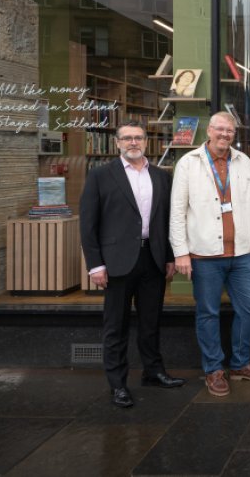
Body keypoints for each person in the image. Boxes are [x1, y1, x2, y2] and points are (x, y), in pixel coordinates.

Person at [80, 120, 185, 408]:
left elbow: (166, 221)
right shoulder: (100, 176)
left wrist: (169, 257)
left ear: (146, 141)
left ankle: (153, 372)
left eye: (138, 137)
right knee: (116, 326)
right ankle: (118, 385)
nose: (133, 143)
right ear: (117, 143)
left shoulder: (162, 177)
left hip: (152, 260)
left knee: (151, 322)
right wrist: (95, 265)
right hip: (116, 263)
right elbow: (88, 225)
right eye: (126, 138)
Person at [170, 111, 250, 397]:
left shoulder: (244, 162)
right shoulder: (188, 164)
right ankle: (214, 369)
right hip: (203, 255)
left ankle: (240, 363)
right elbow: (177, 212)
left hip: (241, 254)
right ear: (209, 130)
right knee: (208, 313)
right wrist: (180, 252)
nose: (225, 134)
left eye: (230, 131)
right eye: (220, 129)